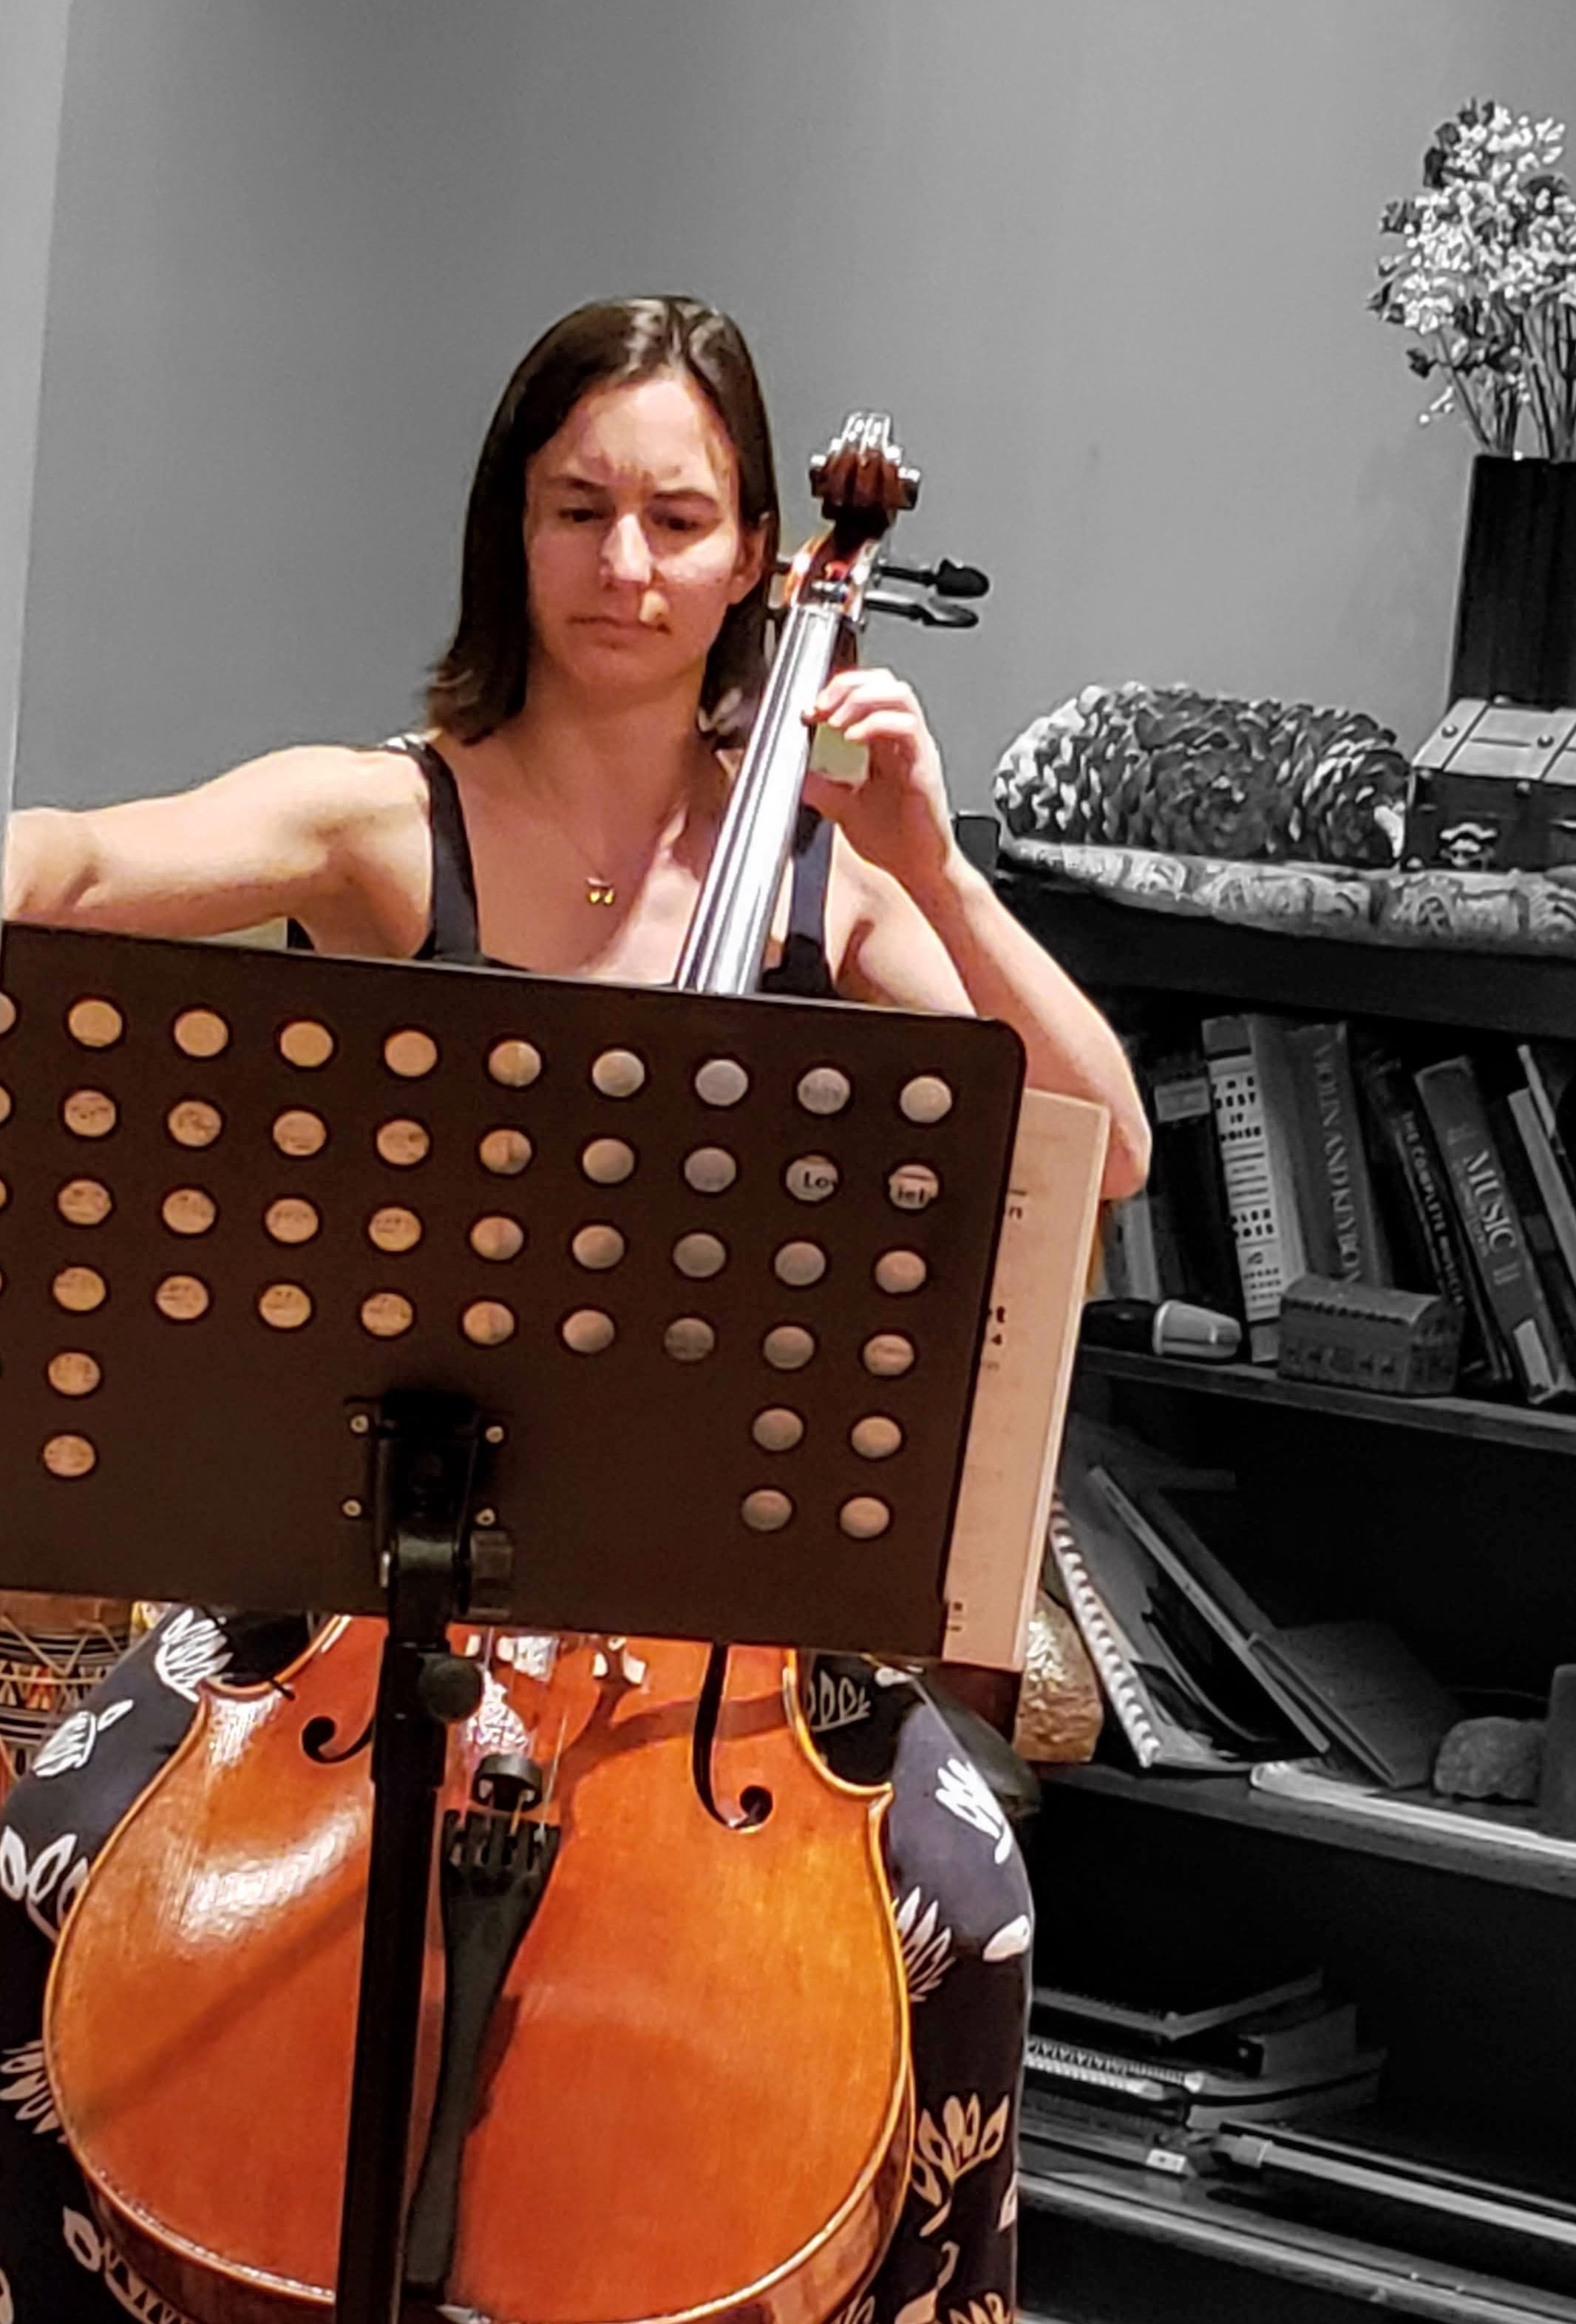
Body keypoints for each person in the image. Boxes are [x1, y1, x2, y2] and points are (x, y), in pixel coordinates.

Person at [0, 293, 1149, 2324]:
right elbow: (83, 868)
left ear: (757, 557)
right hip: (363, 1572)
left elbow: (1109, 1143)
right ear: (507, 528)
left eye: (679, 521)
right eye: (576, 508)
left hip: (719, 1633)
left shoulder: (823, 884)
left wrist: (932, 863)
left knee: (968, 1906)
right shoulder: (388, 820)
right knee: (51, 1855)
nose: (625, 565)